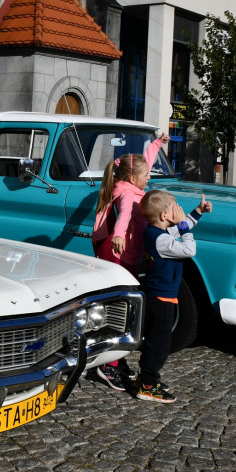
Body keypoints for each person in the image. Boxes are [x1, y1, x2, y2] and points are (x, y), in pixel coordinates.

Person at [90, 133, 169, 391]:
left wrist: (156, 143)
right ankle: (107, 365)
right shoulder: (128, 195)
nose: (150, 178)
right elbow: (123, 216)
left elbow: (142, 162)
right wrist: (120, 235)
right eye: (147, 176)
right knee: (121, 311)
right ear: (134, 179)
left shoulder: (132, 186)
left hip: (129, 258)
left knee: (128, 311)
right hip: (120, 256)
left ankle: (117, 358)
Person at [134, 189, 211, 403]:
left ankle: (147, 377)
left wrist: (197, 211)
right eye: (173, 209)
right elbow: (189, 248)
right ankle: (147, 385)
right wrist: (184, 225)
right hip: (160, 299)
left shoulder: (158, 233)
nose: (178, 213)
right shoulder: (160, 240)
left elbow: (180, 229)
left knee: (156, 341)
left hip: (159, 296)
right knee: (159, 345)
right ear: (163, 216)